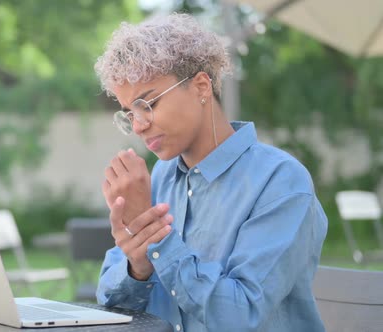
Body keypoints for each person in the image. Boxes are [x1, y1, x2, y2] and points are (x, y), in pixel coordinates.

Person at [94, 13, 328, 332]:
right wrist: (138, 265)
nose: (138, 125)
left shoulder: (281, 182)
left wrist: (157, 238)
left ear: (201, 86)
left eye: (148, 104)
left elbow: (238, 316)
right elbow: (110, 302)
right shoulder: (160, 177)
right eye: (129, 113)